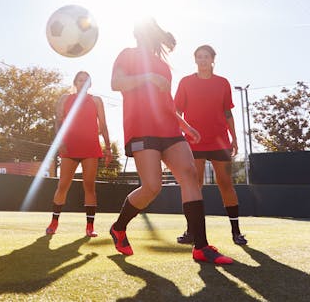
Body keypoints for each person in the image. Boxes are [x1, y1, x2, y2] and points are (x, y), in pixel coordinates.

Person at [108, 19, 233, 264]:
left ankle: (201, 246)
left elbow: (165, 104)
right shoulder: (128, 55)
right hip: (141, 128)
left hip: (169, 128)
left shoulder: (163, 66)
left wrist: (185, 125)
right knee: (152, 187)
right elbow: (116, 83)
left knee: (188, 174)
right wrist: (148, 77)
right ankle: (118, 227)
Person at [173, 45, 247, 246]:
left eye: (206, 57)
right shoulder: (186, 82)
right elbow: (175, 111)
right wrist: (180, 134)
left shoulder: (223, 83)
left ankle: (236, 232)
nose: (202, 60)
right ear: (195, 60)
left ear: (213, 59)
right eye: (199, 57)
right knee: (194, 186)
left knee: (226, 184)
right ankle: (191, 232)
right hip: (193, 142)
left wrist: (234, 138)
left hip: (220, 141)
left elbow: (227, 113)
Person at [45, 71, 111, 237]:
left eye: (86, 80)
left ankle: (90, 227)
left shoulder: (96, 100)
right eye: (80, 80)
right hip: (69, 148)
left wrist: (108, 147)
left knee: (89, 186)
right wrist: (60, 142)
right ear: (75, 82)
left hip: (90, 148)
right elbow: (58, 122)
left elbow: (102, 125)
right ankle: (54, 222)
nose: (82, 82)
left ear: (90, 84)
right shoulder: (64, 99)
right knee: (63, 186)